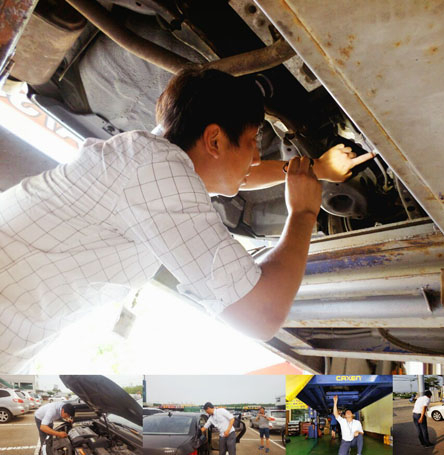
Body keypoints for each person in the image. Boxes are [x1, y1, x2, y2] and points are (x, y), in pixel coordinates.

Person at [0, 68, 374, 372]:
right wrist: (305, 213)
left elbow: (237, 174)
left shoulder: (145, 163)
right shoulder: (154, 167)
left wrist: (316, 169)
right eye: (253, 140)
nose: (258, 156)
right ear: (214, 140)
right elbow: (259, 316)